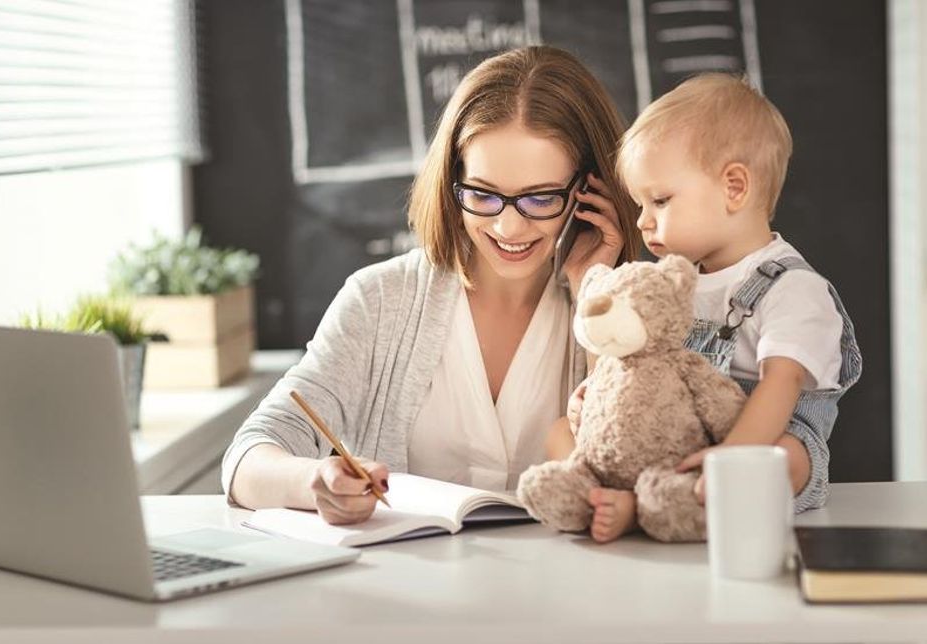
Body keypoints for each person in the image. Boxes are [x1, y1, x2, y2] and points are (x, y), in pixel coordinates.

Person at [221, 45, 643, 524]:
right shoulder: (380, 300)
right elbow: (248, 460)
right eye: (483, 194)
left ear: (590, 192)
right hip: (409, 592)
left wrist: (597, 291)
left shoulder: (630, 307)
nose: (508, 228)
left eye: (540, 198)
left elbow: (631, 473)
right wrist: (314, 481)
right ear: (452, 181)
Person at [549, 73, 862, 543]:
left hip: (756, 440)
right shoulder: (674, 282)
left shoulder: (792, 288)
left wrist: (732, 456)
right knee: (558, 431)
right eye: (639, 204)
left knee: (787, 458)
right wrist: (598, 396)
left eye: (660, 200)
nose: (642, 220)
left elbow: (781, 384)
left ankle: (643, 507)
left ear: (734, 187)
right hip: (675, 435)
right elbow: (635, 357)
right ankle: (608, 492)